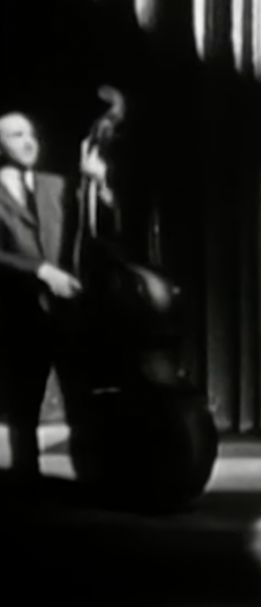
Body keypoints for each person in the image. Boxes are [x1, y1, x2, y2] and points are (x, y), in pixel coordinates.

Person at [0, 111, 107, 487]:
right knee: (23, 403)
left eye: (32, 134)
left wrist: (98, 184)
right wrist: (41, 270)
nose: (29, 142)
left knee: (80, 398)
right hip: (18, 312)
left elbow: (99, 227)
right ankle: (26, 482)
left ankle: (91, 476)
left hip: (66, 313)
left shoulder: (57, 185)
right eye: (16, 135)